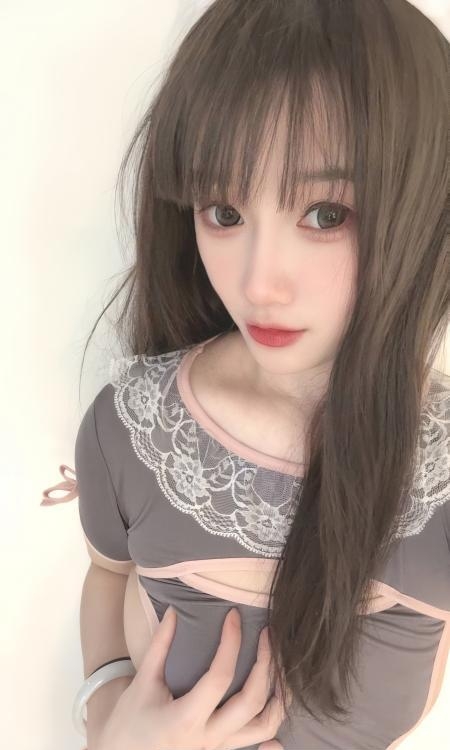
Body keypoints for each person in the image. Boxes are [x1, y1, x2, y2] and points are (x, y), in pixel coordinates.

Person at [41, 1, 450, 748]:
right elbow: (107, 574)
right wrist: (108, 723)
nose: (258, 283)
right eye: (224, 211)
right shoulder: (132, 430)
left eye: (326, 214)